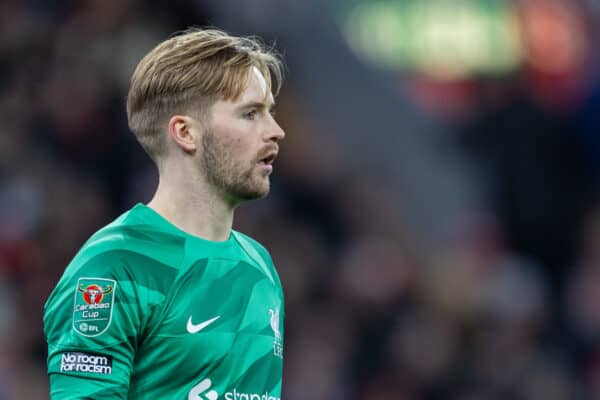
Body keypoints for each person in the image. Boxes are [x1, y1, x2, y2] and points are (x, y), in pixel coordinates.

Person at [43, 27, 286, 399]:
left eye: (270, 112)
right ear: (186, 132)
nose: (276, 131)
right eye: (250, 114)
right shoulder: (115, 267)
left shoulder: (260, 267)